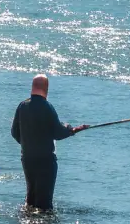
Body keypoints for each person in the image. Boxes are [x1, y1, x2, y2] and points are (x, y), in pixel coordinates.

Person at [10, 75, 87, 210]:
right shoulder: (47, 107)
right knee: (44, 203)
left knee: (31, 198)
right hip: (45, 161)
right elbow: (58, 133)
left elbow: (14, 132)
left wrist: (27, 144)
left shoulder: (22, 106)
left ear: (32, 87)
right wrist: (72, 130)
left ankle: (28, 221)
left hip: (27, 159)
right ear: (47, 89)